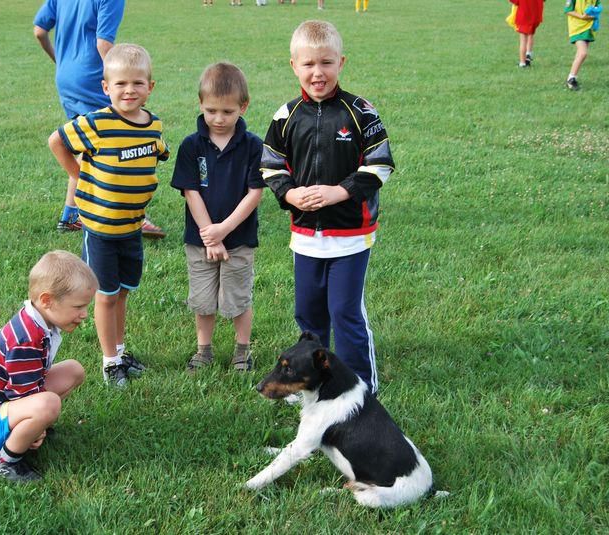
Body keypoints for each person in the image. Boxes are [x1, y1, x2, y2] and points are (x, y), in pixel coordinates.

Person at [260, 20, 395, 394]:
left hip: (350, 235)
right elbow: (270, 166)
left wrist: (340, 191)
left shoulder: (361, 112)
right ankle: (312, 384)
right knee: (309, 314)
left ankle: (360, 387)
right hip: (305, 236)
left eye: (326, 63)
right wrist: (289, 194)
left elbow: (380, 164)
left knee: (345, 312)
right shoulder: (285, 116)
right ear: (294, 66)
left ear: (341, 62)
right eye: (308, 64)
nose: (317, 72)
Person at [48, 44, 169, 387]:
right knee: (105, 295)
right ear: (106, 87)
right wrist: (77, 175)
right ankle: (110, 363)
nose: (129, 90)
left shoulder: (152, 126)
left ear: (150, 86)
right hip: (101, 229)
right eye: (120, 84)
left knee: (123, 292)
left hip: (132, 227)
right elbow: (57, 141)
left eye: (137, 83)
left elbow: (158, 154)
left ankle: (120, 351)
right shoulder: (97, 123)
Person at [0, 250, 97, 482]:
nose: (84, 314)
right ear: (47, 300)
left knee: (73, 371)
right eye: (78, 307)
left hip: (3, 407)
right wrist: (38, 424)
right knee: (48, 404)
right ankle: (5, 461)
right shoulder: (26, 339)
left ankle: (28, 430)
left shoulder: (38, 322)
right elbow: (24, 395)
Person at [33, 0, 165, 238]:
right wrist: (125, 83)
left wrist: (62, 62)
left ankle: (72, 214)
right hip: (94, 78)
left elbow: (39, 31)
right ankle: (123, 210)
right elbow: (103, 43)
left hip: (66, 77)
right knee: (114, 137)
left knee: (88, 140)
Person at [171, 63, 265, 373]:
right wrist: (210, 235)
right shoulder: (191, 146)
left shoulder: (253, 146)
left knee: (238, 298)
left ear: (243, 106)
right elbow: (190, 191)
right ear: (200, 104)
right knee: (202, 299)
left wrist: (223, 230)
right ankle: (204, 351)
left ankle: (242, 351)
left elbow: (255, 193)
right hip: (200, 241)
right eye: (211, 111)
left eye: (227, 111)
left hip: (239, 239)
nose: (219, 118)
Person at [565, 0, 600, 90]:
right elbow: (568, 10)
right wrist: (582, 17)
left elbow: (597, 7)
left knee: (579, 54)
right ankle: (571, 79)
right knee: (583, 53)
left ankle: (572, 78)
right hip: (576, 27)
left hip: (588, 28)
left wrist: (595, 14)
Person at [511, 0, 544, 67]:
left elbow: (515, 1)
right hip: (535, 14)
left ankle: (522, 63)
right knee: (530, 34)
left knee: (523, 39)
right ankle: (528, 55)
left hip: (524, 14)